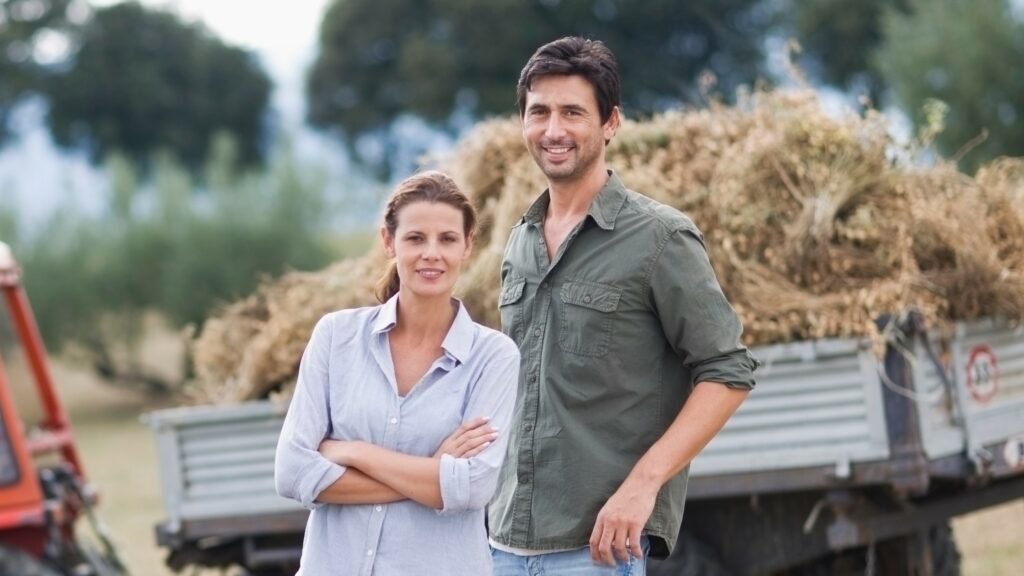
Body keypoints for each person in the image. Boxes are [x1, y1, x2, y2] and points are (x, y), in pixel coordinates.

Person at [488, 37, 759, 575]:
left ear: (611, 123)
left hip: (596, 552)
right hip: (502, 547)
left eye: (572, 112)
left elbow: (728, 372)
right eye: (539, 112)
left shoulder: (660, 237)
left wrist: (643, 485)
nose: (554, 130)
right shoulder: (518, 241)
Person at [275, 170, 520, 575]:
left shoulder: (493, 357)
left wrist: (353, 452)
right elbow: (291, 472)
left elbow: (473, 487)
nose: (431, 254)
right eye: (415, 238)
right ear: (388, 242)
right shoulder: (336, 337)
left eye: (447, 239)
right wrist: (432, 473)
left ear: (467, 246)